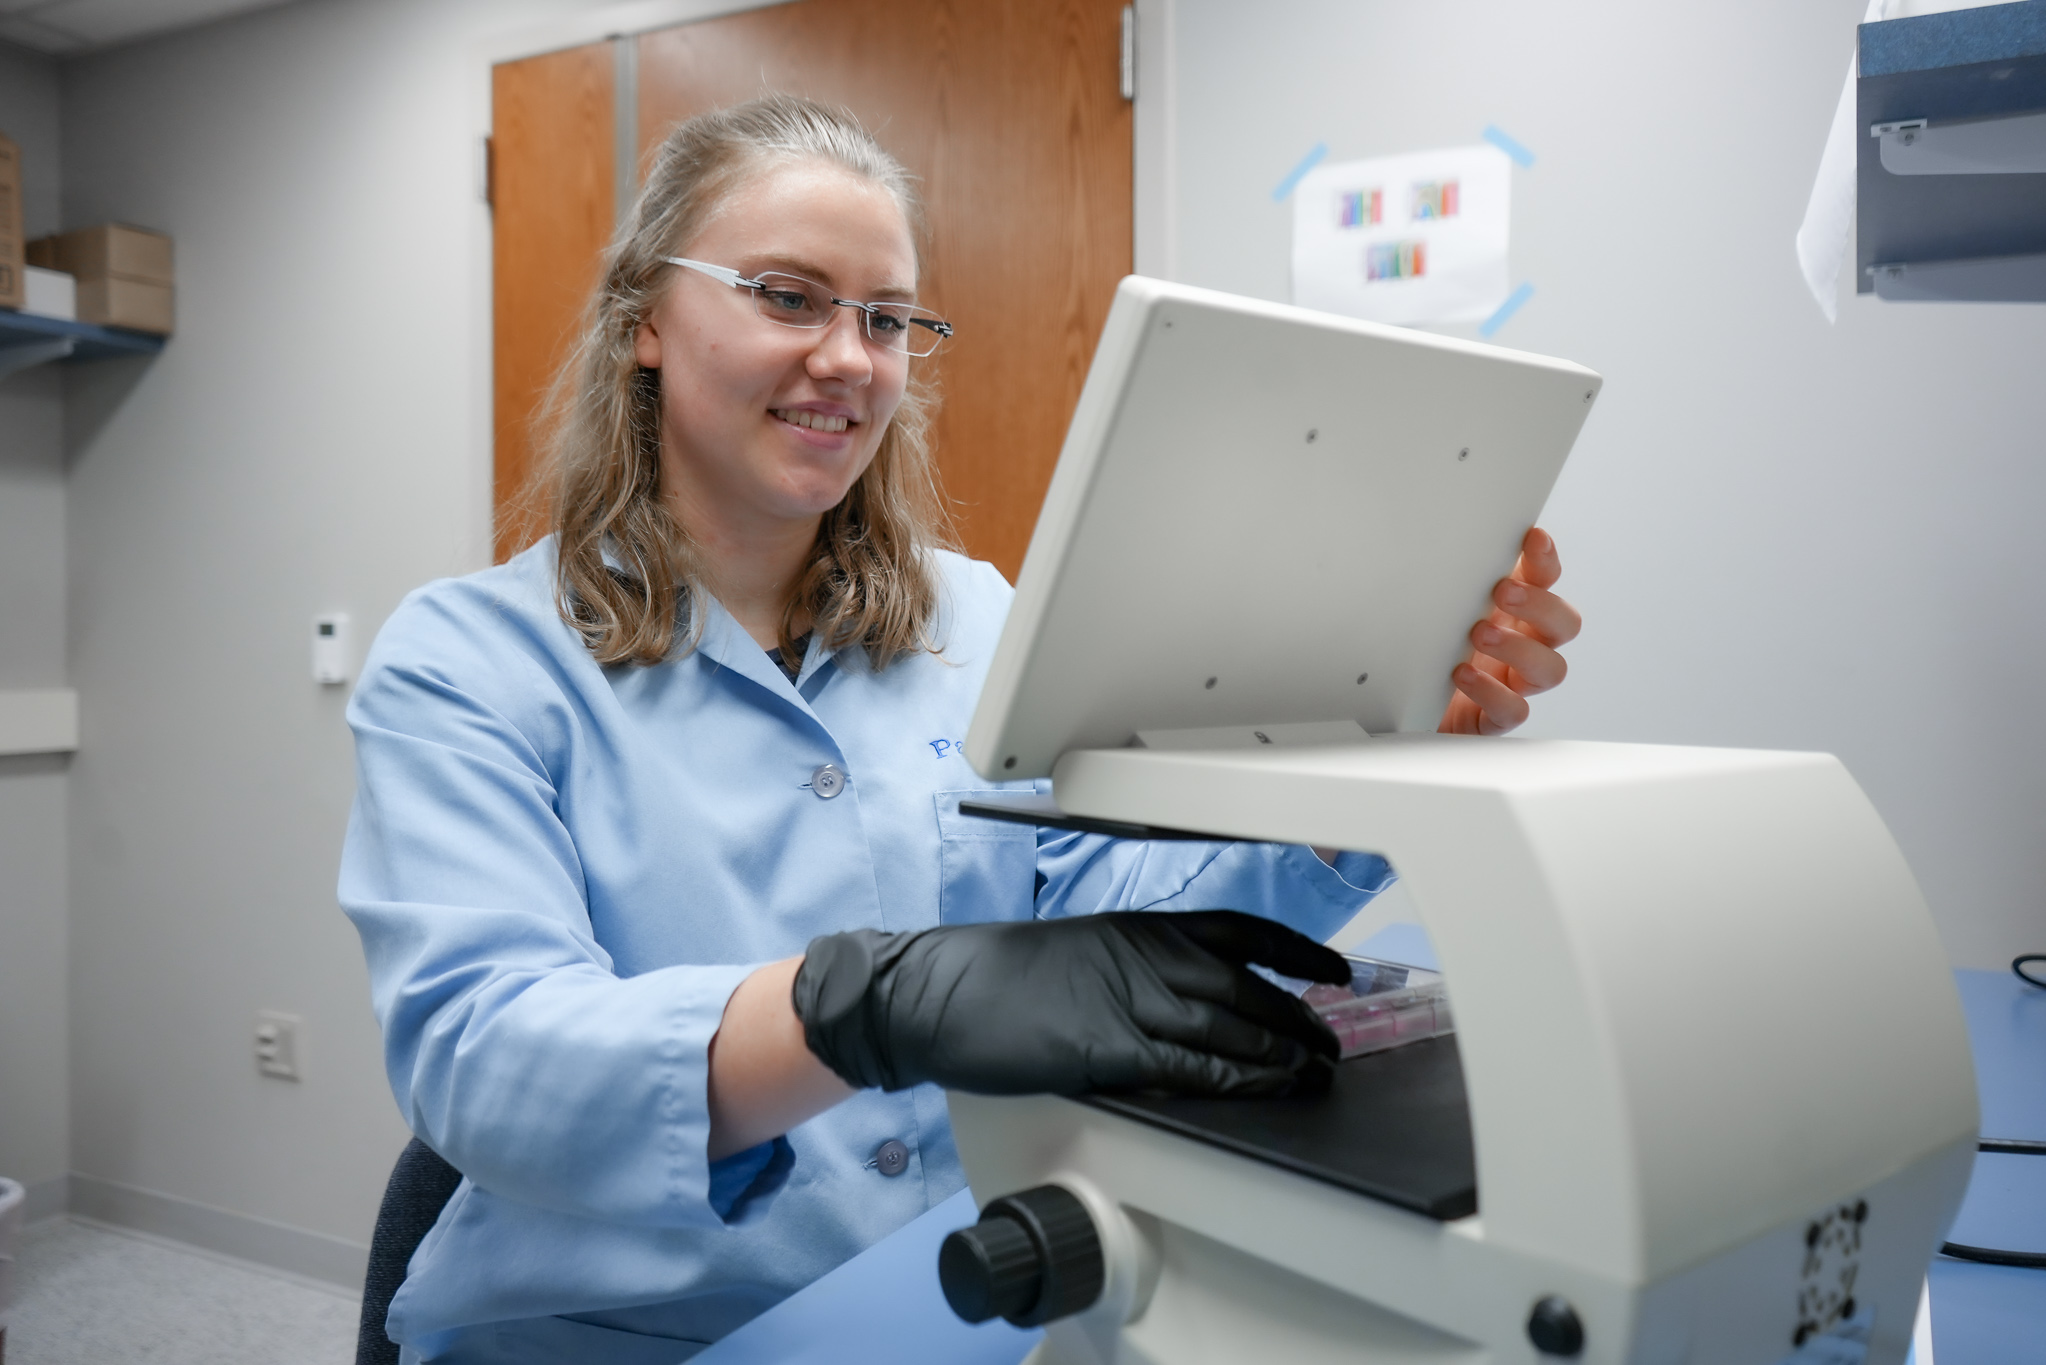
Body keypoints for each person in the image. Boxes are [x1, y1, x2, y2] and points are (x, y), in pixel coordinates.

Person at [340, 94, 1581, 1363]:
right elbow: (481, 1059)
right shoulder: (470, 662)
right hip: (621, 1332)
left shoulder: (966, 618)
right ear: (645, 318)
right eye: (787, 295)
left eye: (885, 318)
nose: (848, 356)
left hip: (957, 1298)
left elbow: (1111, 913)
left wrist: (1367, 758)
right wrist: (860, 1008)